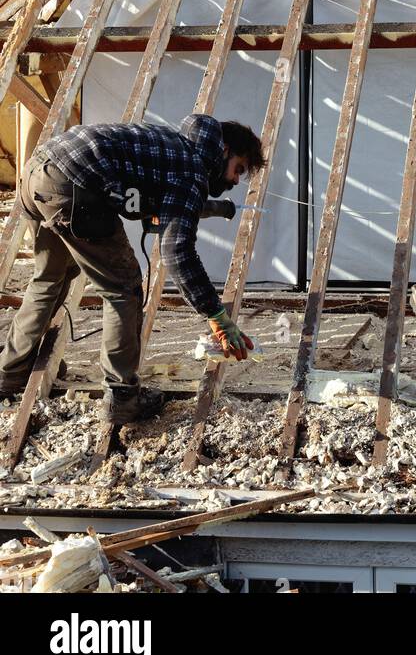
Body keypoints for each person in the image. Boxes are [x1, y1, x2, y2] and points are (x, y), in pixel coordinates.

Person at [0, 115, 265, 424]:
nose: (235, 180)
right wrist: (216, 314)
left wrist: (217, 209)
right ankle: (123, 396)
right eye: (239, 169)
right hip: (76, 185)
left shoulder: (174, 146)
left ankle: (10, 372)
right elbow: (177, 251)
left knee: (50, 278)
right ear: (224, 150)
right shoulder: (192, 168)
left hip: (41, 169)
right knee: (123, 288)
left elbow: (163, 200)